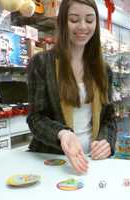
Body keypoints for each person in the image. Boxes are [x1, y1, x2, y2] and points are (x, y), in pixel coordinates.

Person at [27, 0, 117, 174]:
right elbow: (36, 118)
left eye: (90, 20)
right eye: (74, 20)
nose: (83, 26)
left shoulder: (103, 70)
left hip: (92, 162)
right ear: (62, 22)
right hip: (53, 161)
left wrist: (106, 141)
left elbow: (109, 117)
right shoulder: (41, 63)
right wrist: (62, 134)